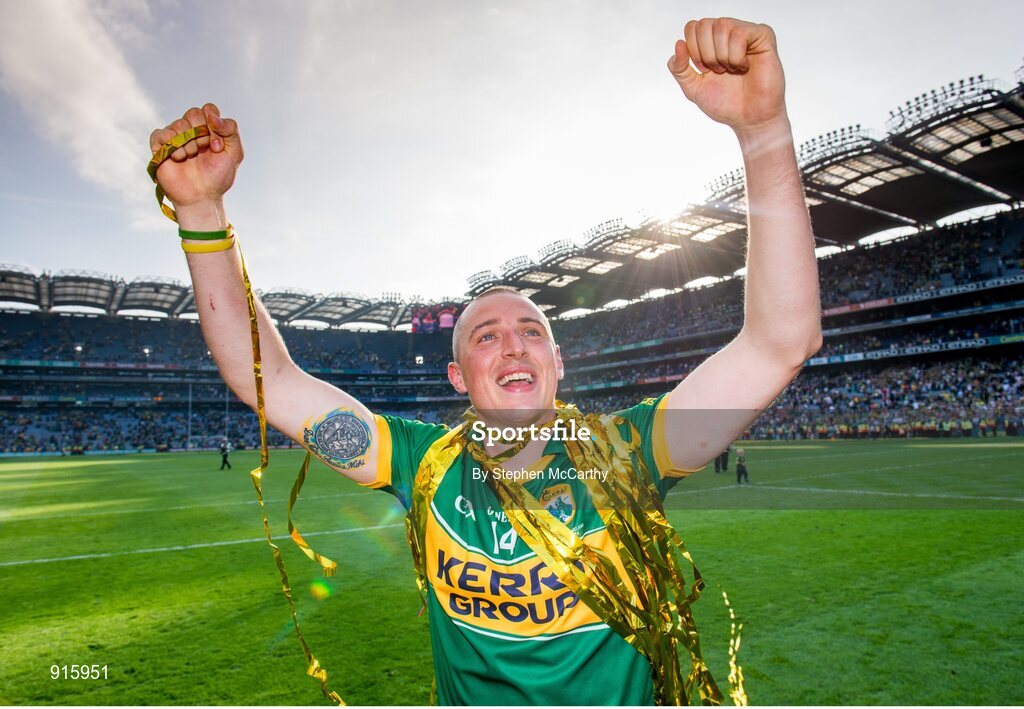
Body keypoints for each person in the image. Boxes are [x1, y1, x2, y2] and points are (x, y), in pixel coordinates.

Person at [149, 16, 820, 705]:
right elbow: (269, 378)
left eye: (531, 330)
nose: (512, 342)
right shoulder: (417, 465)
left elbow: (780, 341)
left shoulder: (630, 451)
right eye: (485, 336)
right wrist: (201, 212)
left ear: (556, 363)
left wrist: (763, 129)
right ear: (459, 377)